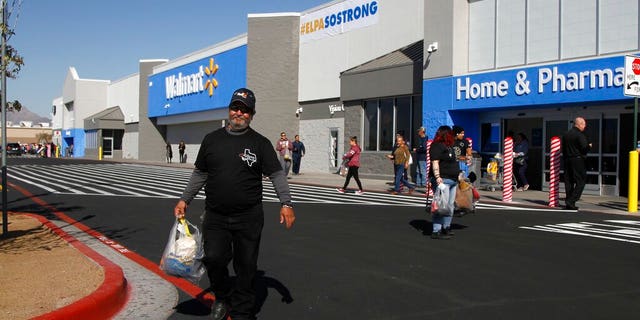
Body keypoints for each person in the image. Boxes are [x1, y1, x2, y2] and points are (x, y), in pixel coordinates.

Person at [173, 88, 296, 320]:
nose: (239, 113)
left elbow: (277, 175)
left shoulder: (260, 143)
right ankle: (222, 295)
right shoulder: (212, 140)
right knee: (214, 259)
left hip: (248, 217)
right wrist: (184, 199)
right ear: (229, 109)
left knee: (246, 267)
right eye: (236, 107)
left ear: (252, 114)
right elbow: (200, 173)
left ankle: (242, 311)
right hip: (216, 216)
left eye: (245, 110)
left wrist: (286, 203)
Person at [429, 125, 459, 240]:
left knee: (449, 206)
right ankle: (436, 230)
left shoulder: (450, 146)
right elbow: (435, 162)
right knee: (441, 205)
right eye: (450, 133)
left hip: (453, 179)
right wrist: (437, 177)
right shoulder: (436, 146)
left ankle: (446, 227)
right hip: (443, 180)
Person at [562, 117, 591, 210]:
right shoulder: (580, 135)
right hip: (577, 160)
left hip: (567, 160)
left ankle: (569, 203)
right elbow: (584, 148)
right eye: (584, 124)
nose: (585, 126)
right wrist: (589, 146)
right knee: (581, 181)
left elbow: (563, 148)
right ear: (579, 124)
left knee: (569, 181)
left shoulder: (566, 134)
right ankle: (571, 200)